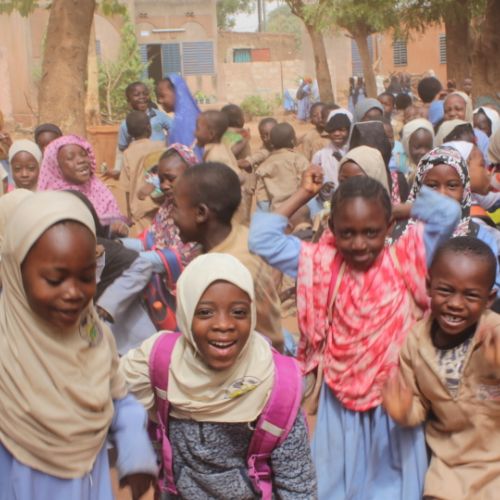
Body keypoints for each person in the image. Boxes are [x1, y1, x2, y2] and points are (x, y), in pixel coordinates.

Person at [249, 170, 461, 500]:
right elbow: (260, 239)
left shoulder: (407, 257)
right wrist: (303, 194)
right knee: (333, 485)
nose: (359, 243)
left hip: (395, 399)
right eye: (347, 233)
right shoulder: (321, 262)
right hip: (340, 399)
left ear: (388, 228)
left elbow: (448, 212)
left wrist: (396, 208)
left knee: (396, 488)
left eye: (371, 231)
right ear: (332, 230)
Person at [119, 253, 317, 499]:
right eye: (205, 312)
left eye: (239, 312)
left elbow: (298, 485)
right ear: (185, 313)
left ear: (252, 315)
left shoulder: (276, 387)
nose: (223, 325)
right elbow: (111, 396)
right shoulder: (160, 362)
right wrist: (135, 450)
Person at [0, 191, 157, 499]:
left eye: (86, 277)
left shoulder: (92, 336)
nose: (73, 293)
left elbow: (117, 397)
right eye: (54, 279)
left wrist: (134, 446)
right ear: (17, 272)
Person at [382, 236, 500, 500]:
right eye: (446, 290)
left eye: (471, 295)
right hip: (449, 463)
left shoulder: (495, 335)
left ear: (489, 299)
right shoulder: (415, 343)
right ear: (429, 286)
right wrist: (403, 412)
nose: (455, 303)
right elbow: (419, 404)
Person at [172, 162, 284, 352]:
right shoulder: (235, 234)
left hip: (253, 357)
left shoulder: (228, 270)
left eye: (175, 207)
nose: (172, 216)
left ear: (201, 213)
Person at [391, 146, 500, 291]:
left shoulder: (481, 238)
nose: (442, 194)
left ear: (464, 190)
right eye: (432, 186)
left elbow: (494, 289)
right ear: (418, 189)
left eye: (452, 186)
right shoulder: (401, 234)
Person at [121, 144, 200, 276]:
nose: (164, 186)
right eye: (161, 180)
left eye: (171, 179)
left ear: (192, 175)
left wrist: (125, 257)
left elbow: (178, 257)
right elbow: (152, 241)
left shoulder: (198, 211)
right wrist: (118, 245)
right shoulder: (167, 207)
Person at [38, 135, 125, 229]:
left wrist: (120, 227)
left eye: (84, 154)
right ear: (56, 166)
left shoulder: (97, 186)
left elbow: (117, 221)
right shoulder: (54, 200)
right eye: (70, 158)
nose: (81, 160)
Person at [120, 110, 165, 234]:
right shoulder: (161, 146)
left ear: (129, 132)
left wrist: (128, 215)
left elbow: (126, 188)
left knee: (145, 239)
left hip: (140, 207)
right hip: (160, 201)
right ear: (149, 127)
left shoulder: (127, 153)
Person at [255, 123, 309, 212]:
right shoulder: (299, 160)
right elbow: (307, 188)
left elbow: (263, 201)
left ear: (271, 143)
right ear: (293, 141)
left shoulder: (264, 166)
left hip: (277, 213)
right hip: (298, 212)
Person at [155, 74, 201, 157]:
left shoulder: (183, 123)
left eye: (162, 96)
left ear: (176, 92)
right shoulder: (193, 116)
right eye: (157, 97)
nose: (159, 101)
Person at [443, 91, 489, 159]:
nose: (452, 113)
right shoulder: (440, 134)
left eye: (458, 109)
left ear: (468, 110)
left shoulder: (480, 137)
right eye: (448, 110)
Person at [312, 108, 352, 186]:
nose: (336, 133)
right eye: (333, 130)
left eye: (341, 130)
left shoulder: (356, 153)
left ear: (349, 130)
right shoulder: (320, 156)